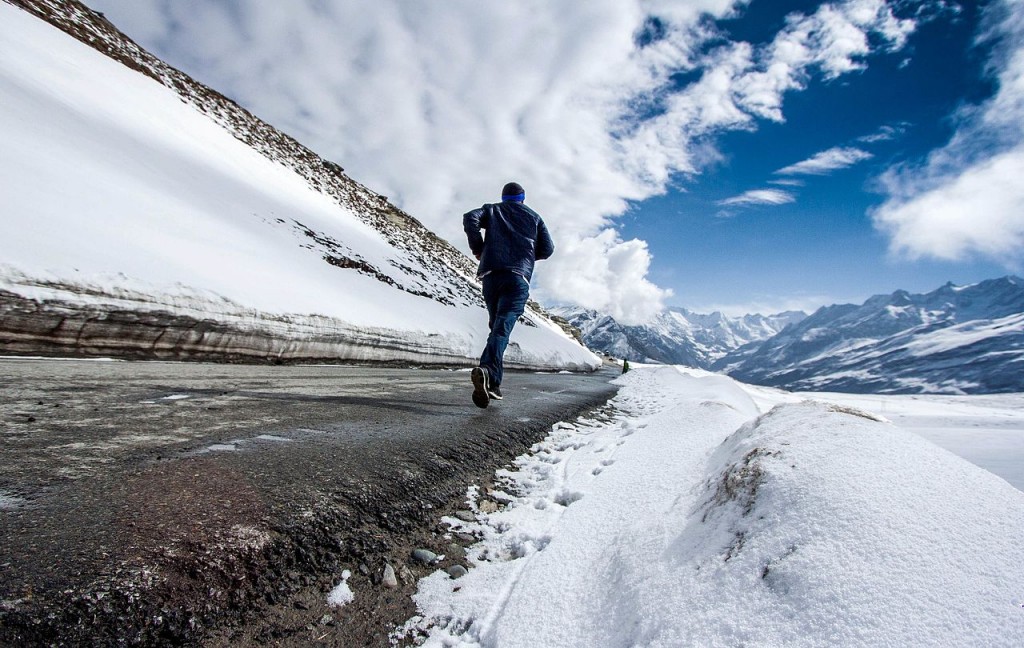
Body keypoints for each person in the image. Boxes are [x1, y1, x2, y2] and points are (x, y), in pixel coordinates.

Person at [463, 182, 554, 408]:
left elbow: (470, 218)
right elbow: (548, 249)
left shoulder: (493, 210)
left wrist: (479, 249)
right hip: (517, 279)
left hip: (491, 277)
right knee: (502, 328)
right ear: (522, 198)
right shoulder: (534, 218)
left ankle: (493, 384)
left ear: (503, 198)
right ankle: (486, 370)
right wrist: (527, 255)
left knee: (497, 330)